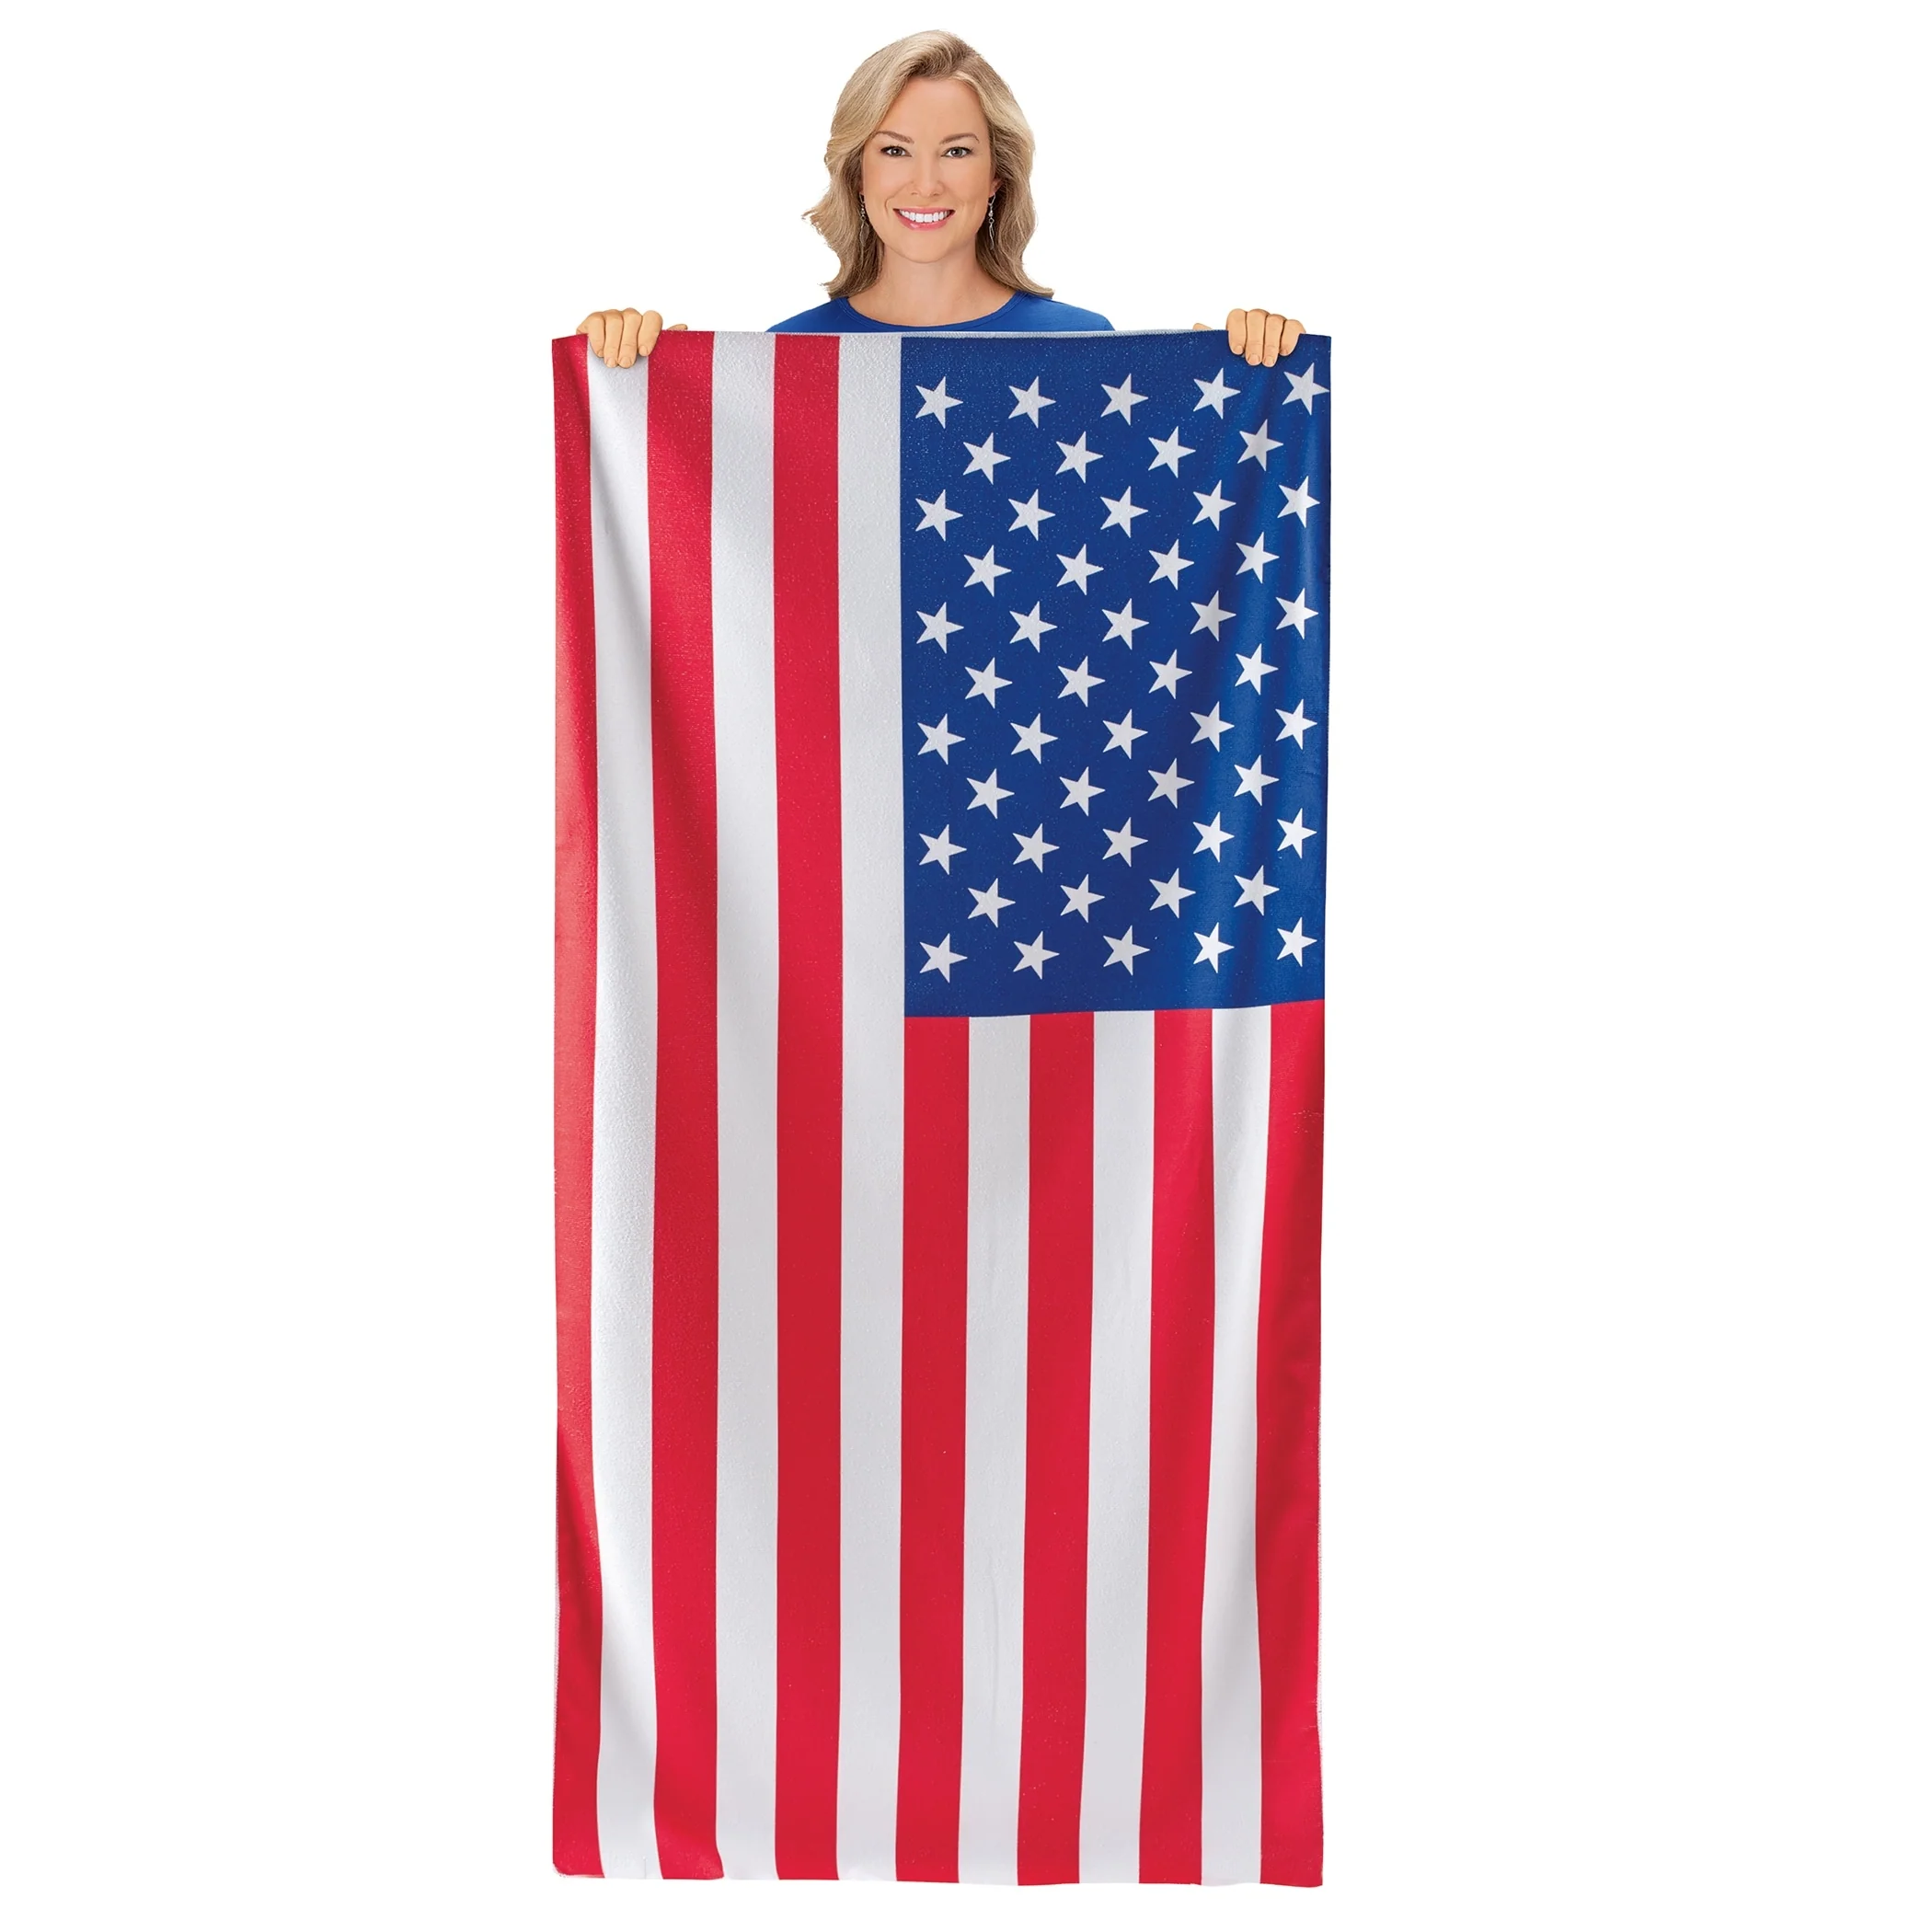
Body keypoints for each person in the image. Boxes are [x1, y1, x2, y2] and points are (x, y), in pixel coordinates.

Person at [576, 29, 1305, 367]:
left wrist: (1243, 373)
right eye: (894, 150)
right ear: (857, 174)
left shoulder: (1083, 347)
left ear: (997, 176)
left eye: (956, 151)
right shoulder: (784, 358)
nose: (925, 182)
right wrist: (631, 377)